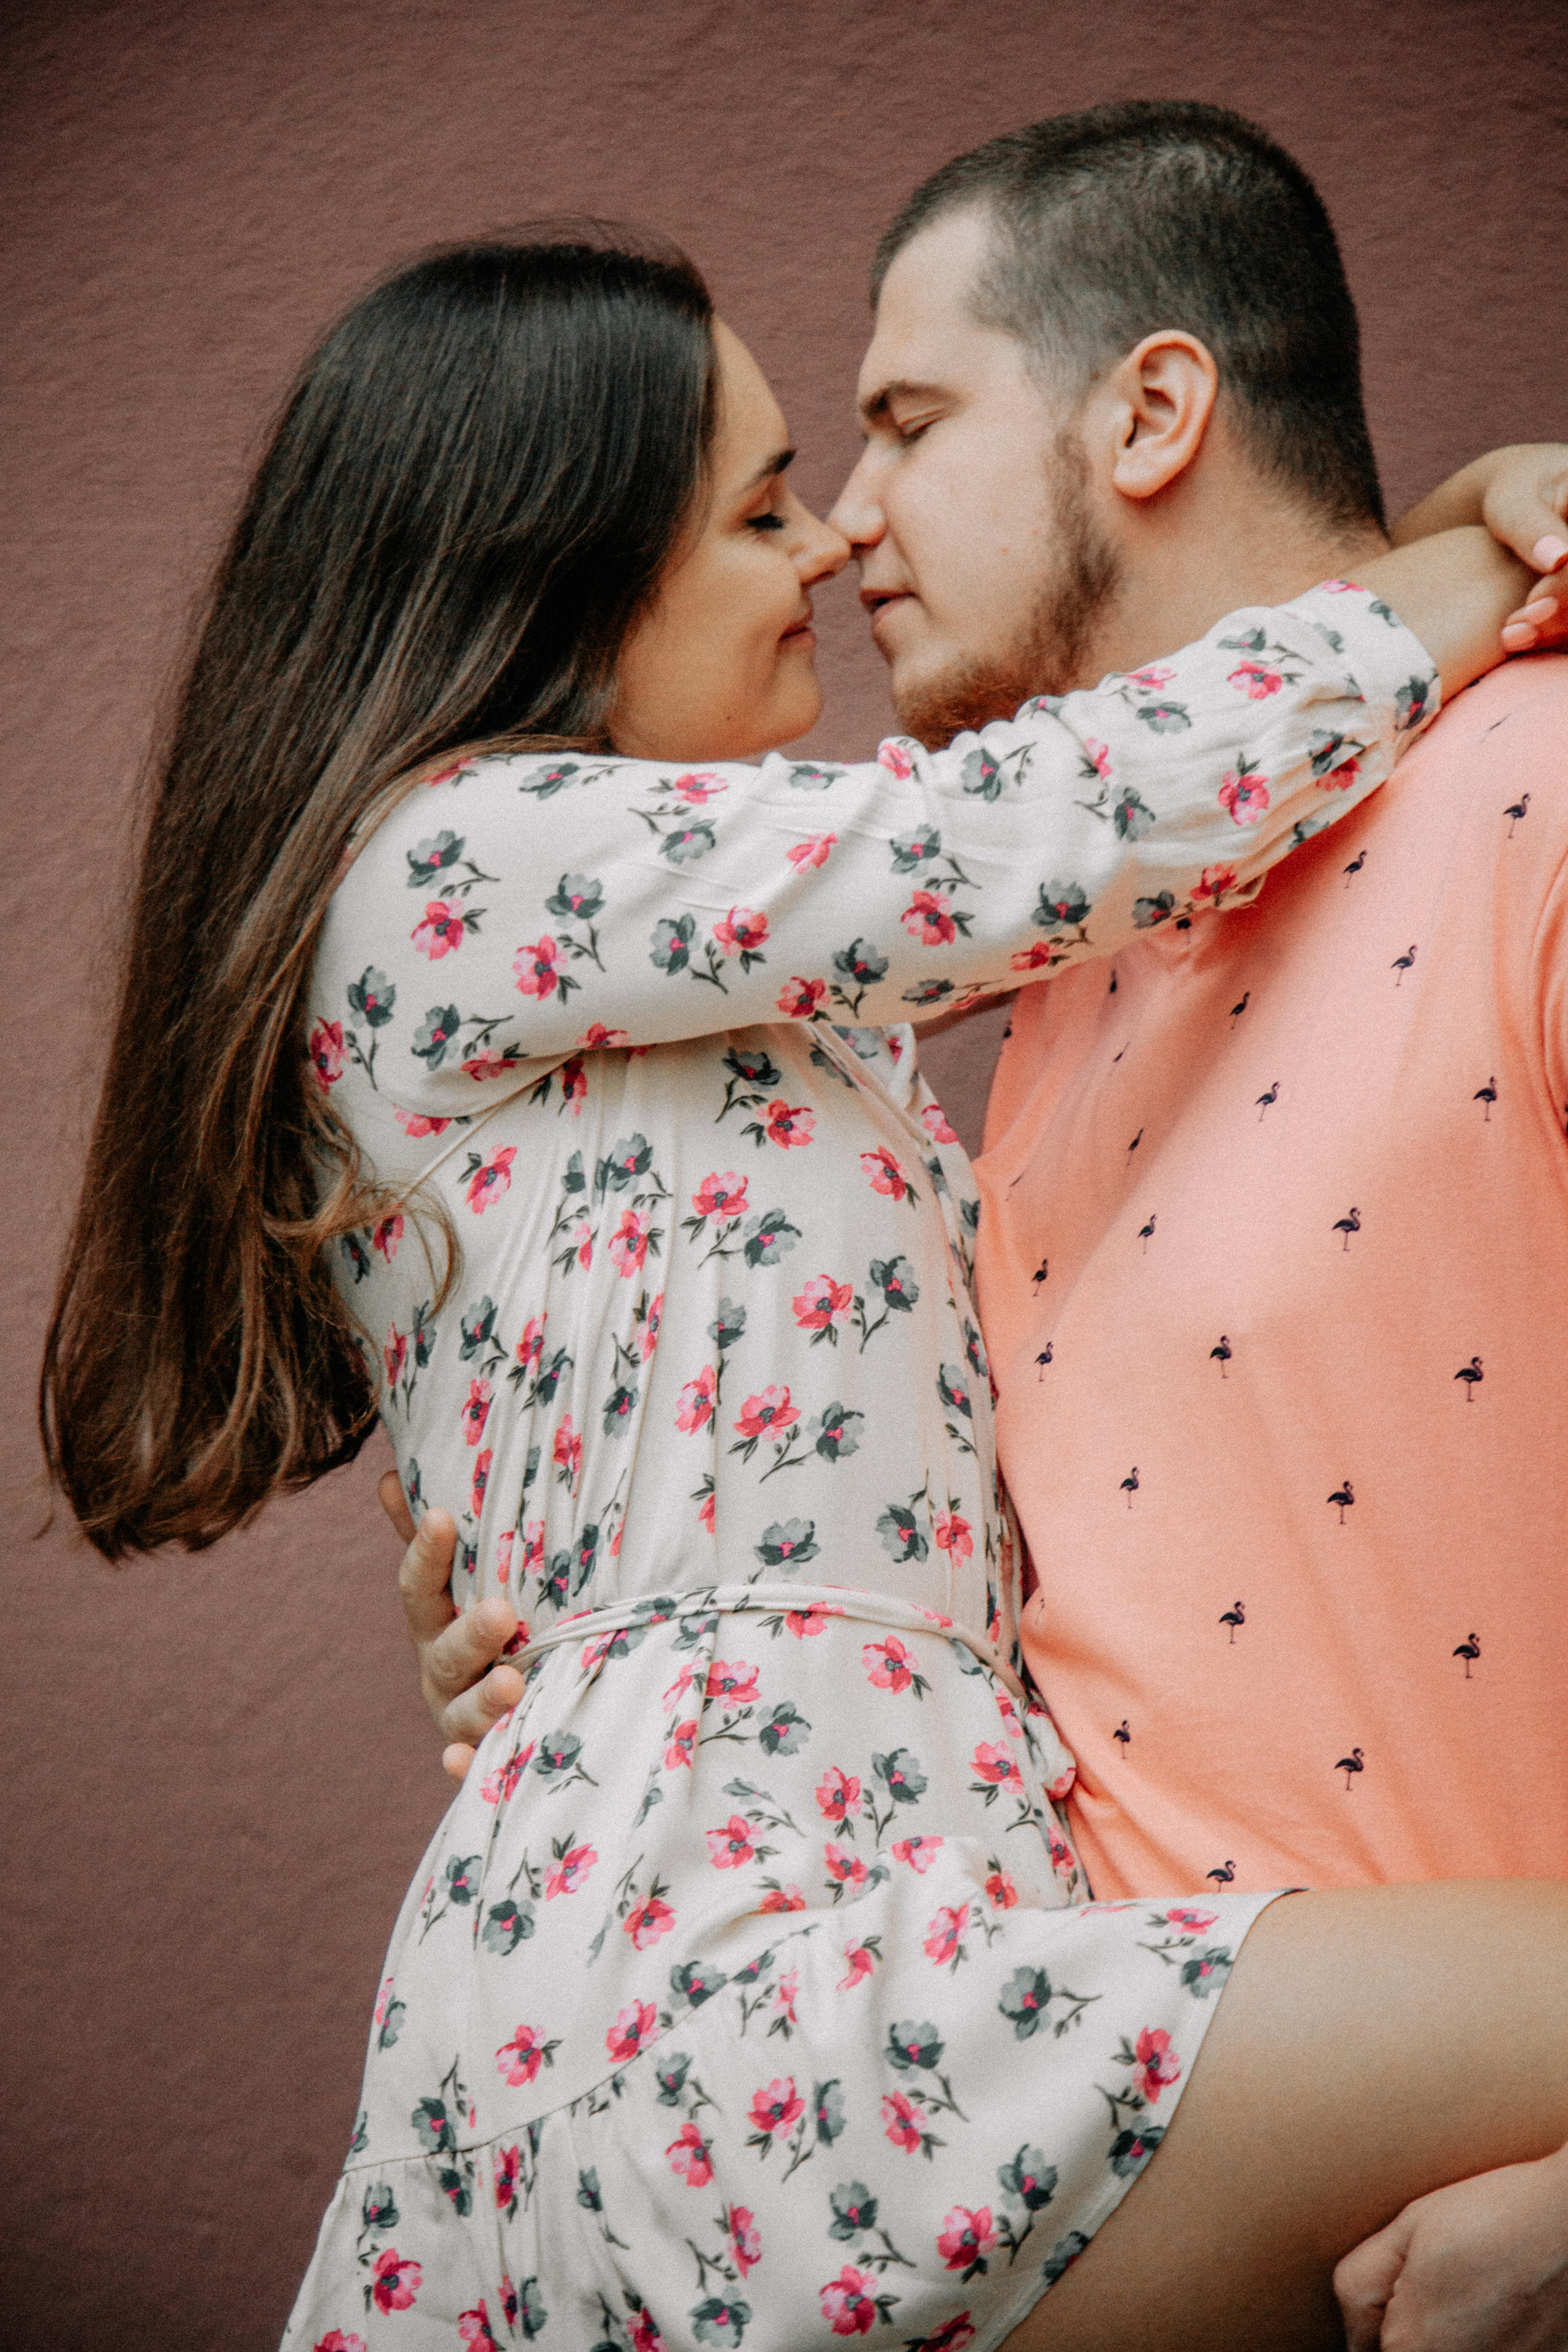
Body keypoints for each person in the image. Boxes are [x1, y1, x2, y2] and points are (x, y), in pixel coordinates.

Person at [38, 224, 1567, 2352]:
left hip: (889, 1928)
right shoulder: (461, 862)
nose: (832, 548)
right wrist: (1478, 550)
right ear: (562, 562)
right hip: (733, 1980)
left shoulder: (723, 1002)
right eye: (762, 507)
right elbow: (1044, 826)